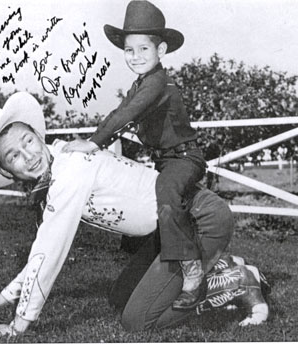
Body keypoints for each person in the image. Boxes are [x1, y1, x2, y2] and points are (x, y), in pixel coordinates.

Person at [0, 92, 266, 337]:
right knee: (119, 298)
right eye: (13, 156)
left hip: (199, 219)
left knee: (139, 320)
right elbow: (42, 248)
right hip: (167, 229)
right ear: (6, 170)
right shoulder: (58, 170)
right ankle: (218, 264)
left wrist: (17, 326)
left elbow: (48, 252)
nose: (28, 156)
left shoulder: (69, 172)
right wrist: (3, 297)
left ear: (37, 135)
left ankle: (232, 282)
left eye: (27, 141)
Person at [62, 0, 207, 310]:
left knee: (166, 191)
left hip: (184, 158)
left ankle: (193, 273)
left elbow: (129, 113)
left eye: (144, 49)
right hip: (163, 159)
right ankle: (145, 261)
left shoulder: (158, 83)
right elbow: (118, 111)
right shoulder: (142, 83)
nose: (136, 56)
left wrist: (93, 144)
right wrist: (92, 140)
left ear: (161, 50)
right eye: (129, 50)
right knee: (135, 195)